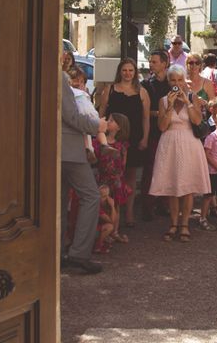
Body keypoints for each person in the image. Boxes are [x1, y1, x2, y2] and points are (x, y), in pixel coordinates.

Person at [149, 65, 211, 242]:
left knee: (187, 187)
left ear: (185, 80)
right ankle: (173, 223)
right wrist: (169, 107)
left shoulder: (193, 97)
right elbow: (162, 126)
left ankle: (185, 224)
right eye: (173, 80)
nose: (177, 83)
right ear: (169, 82)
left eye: (180, 80)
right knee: (173, 186)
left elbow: (198, 120)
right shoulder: (163, 100)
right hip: (169, 143)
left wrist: (188, 102)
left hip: (189, 142)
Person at [60, 62, 107, 274]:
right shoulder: (59, 78)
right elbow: (70, 115)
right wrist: (97, 126)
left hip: (54, 149)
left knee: (59, 203)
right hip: (68, 148)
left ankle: (58, 252)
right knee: (91, 196)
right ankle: (79, 253)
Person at [99, 58, 150, 227]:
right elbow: (102, 114)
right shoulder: (110, 89)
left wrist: (145, 138)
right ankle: (110, 213)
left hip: (134, 137)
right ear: (119, 72)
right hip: (113, 137)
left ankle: (128, 213)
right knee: (110, 175)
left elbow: (145, 118)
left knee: (130, 176)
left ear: (135, 73)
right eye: (124, 70)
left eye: (131, 70)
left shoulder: (142, 92)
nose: (127, 74)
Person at [140, 50, 170, 220]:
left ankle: (164, 204)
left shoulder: (172, 83)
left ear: (165, 63)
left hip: (169, 131)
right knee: (150, 169)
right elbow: (143, 112)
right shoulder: (146, 85)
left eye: (155, 62)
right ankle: (147, 206)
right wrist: (159, 113)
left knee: (167, 168)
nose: (151, 64)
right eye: (150, 61)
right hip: (153, 132)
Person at [93, 113, 131, 244]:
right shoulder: (99, 141)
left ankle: (115, 231)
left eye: (112, 121)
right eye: (108, 119)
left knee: (115, 206)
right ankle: (105, 231)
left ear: (119, 127)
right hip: (103, 178)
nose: (108, 122)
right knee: (102, 206)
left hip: (116, 180)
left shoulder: (122, 145)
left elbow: (124, 163)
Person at [94, 185, 116, 254]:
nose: (106, 199)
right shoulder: (97, 205)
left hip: (93, 228)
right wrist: (112, 206)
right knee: (109, 227)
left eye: (107, 196)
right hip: (89, 231)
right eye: (104, 196)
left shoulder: (103, 204)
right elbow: (112, 221)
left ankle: (101, 242)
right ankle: (97, 246)